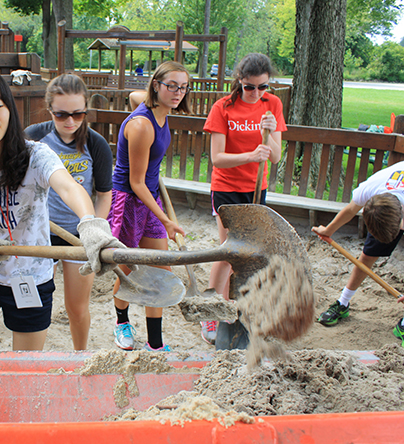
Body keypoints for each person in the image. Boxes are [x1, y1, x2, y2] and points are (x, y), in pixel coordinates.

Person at [0, 68, 124, 352]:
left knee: (26, 365)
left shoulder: (35, 154)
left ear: (9, 109)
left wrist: (90, 224)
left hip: (32, 276)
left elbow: (70, 188)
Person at [202, 53, 286, 346]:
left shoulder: (272, 104)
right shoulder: (223, 107)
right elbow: (217, 159)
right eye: (250, 87)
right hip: (226, 187)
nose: (256, 93)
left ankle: (238, 310)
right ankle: (211, 311)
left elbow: (275, 157)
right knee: (229, 251)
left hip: (255, 189)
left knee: (249, 252)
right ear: (239, 81)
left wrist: (271, 131)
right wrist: (250, 155)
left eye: (262, 87)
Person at [24, 73, 113, 350]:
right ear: (49, 108)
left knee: (76, 307)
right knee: (33, 305)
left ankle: (80, 355)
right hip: (41, 233)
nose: (70, 122)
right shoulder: (34, 138)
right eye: (61, 115)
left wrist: (94, 229)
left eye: (78, 114)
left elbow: (104, 194)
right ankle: (32, 360)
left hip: (78, 234)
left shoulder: (96, 145)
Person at [107, 61, 188, 352]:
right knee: (129, 270)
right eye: (171, 86)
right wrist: (166, 220)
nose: (178, 92)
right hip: (130, 200)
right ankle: (121, 323)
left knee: (159, 269)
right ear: (156, 85)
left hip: (148, 196)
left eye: (183, 87)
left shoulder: (156, 107)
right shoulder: (142, 125)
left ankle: (155, 342)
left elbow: (133, 97)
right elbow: (137, 182)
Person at [312, 160, 404, 343]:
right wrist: (328, 231)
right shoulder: (370, 189)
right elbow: (350, 210)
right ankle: (343, 303)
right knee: (367, 256)